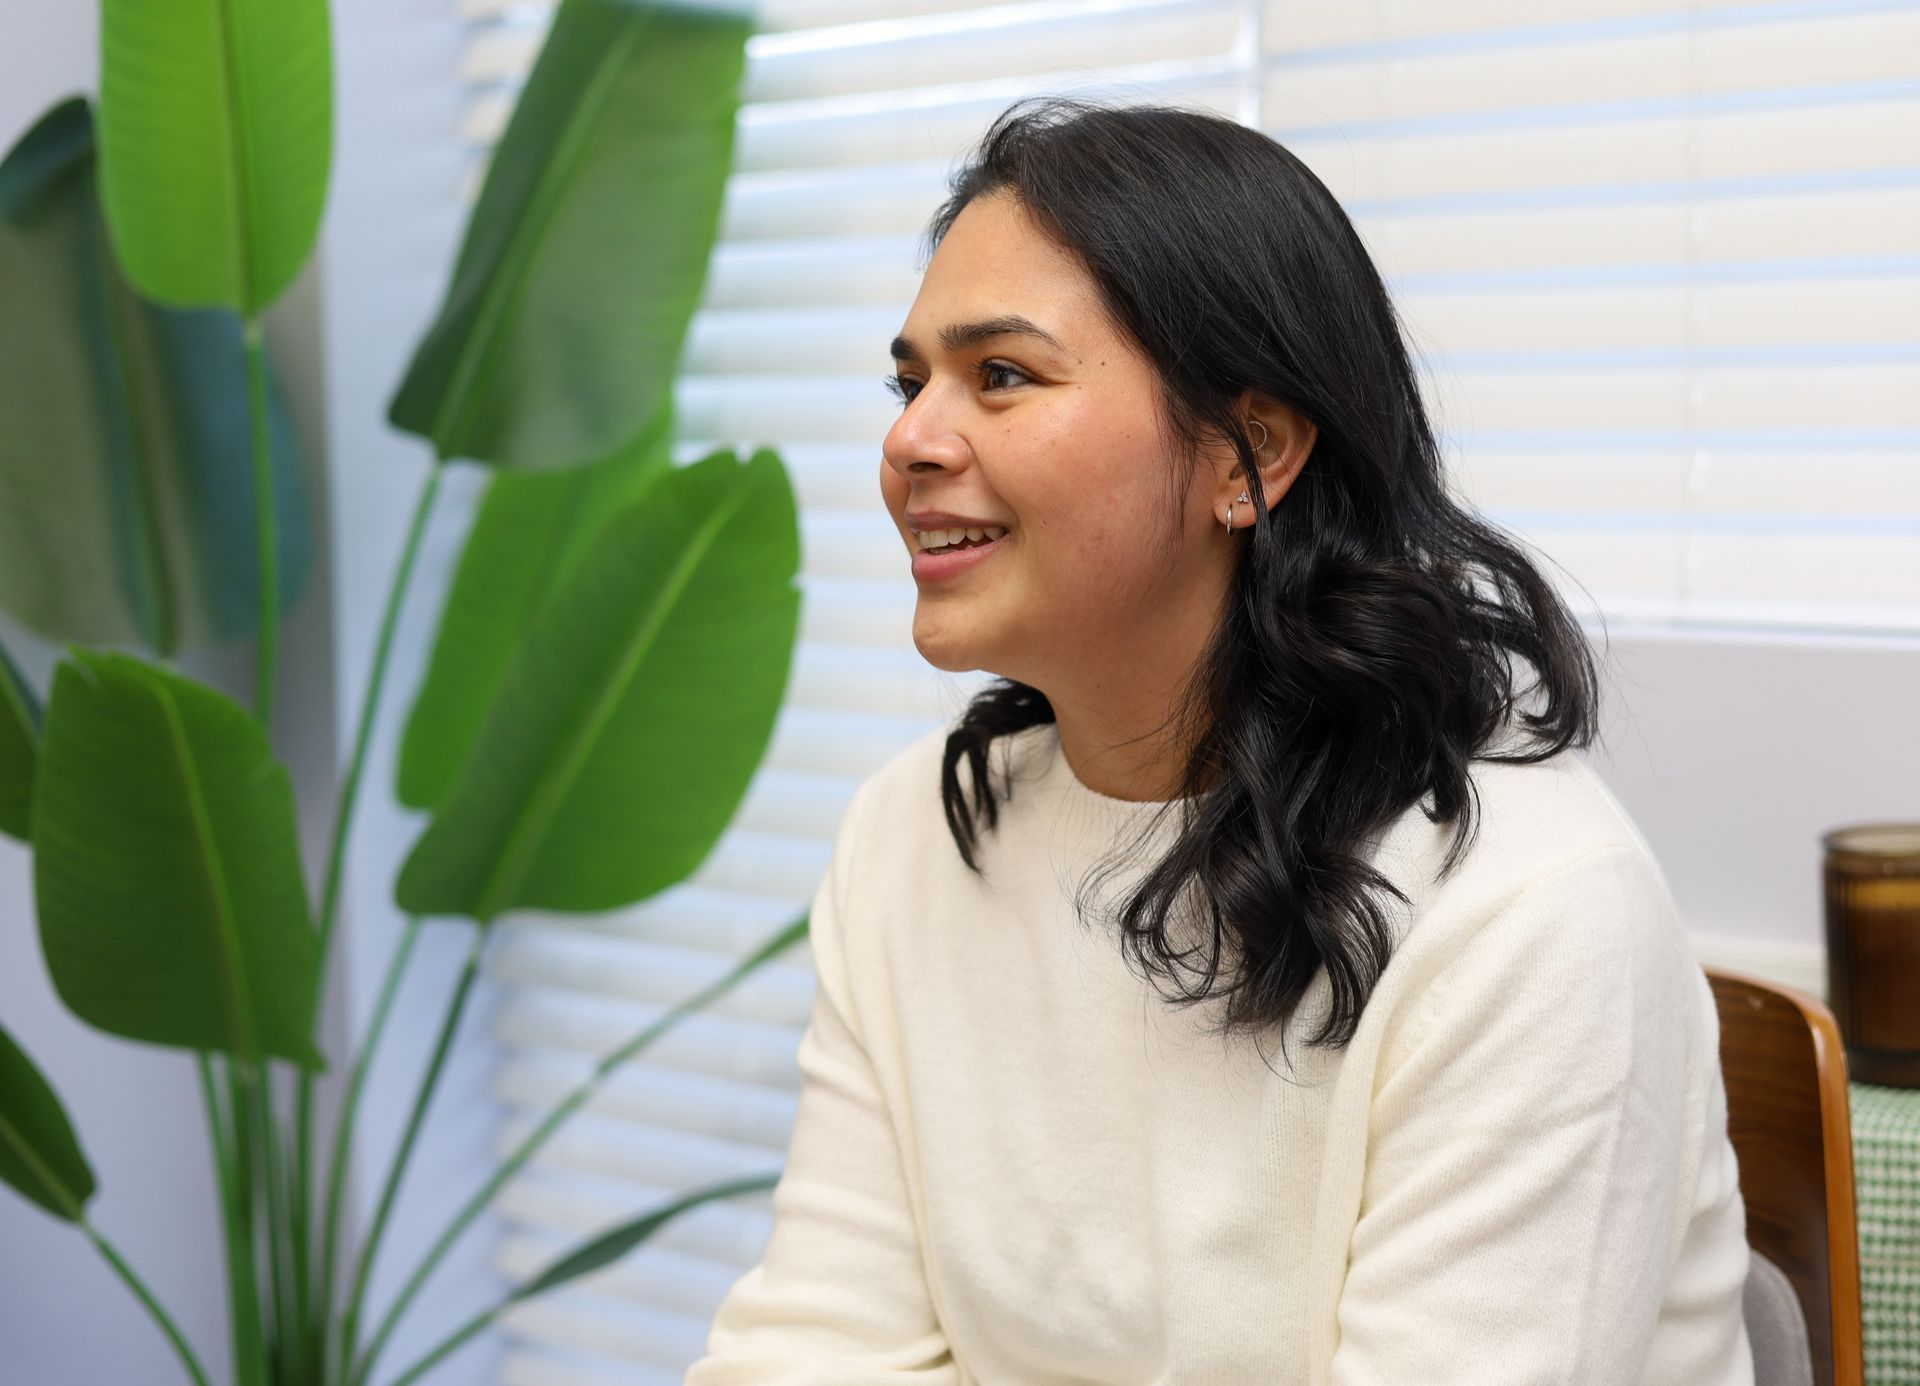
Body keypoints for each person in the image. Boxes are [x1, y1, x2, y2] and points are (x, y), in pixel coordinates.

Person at [682, 95, 1755, 1385]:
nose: (909, 439)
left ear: (1252, 453)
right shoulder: (912, 840)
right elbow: (806, 1356)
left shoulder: (1532, 910)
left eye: (1002, 375)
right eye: (911, 383)